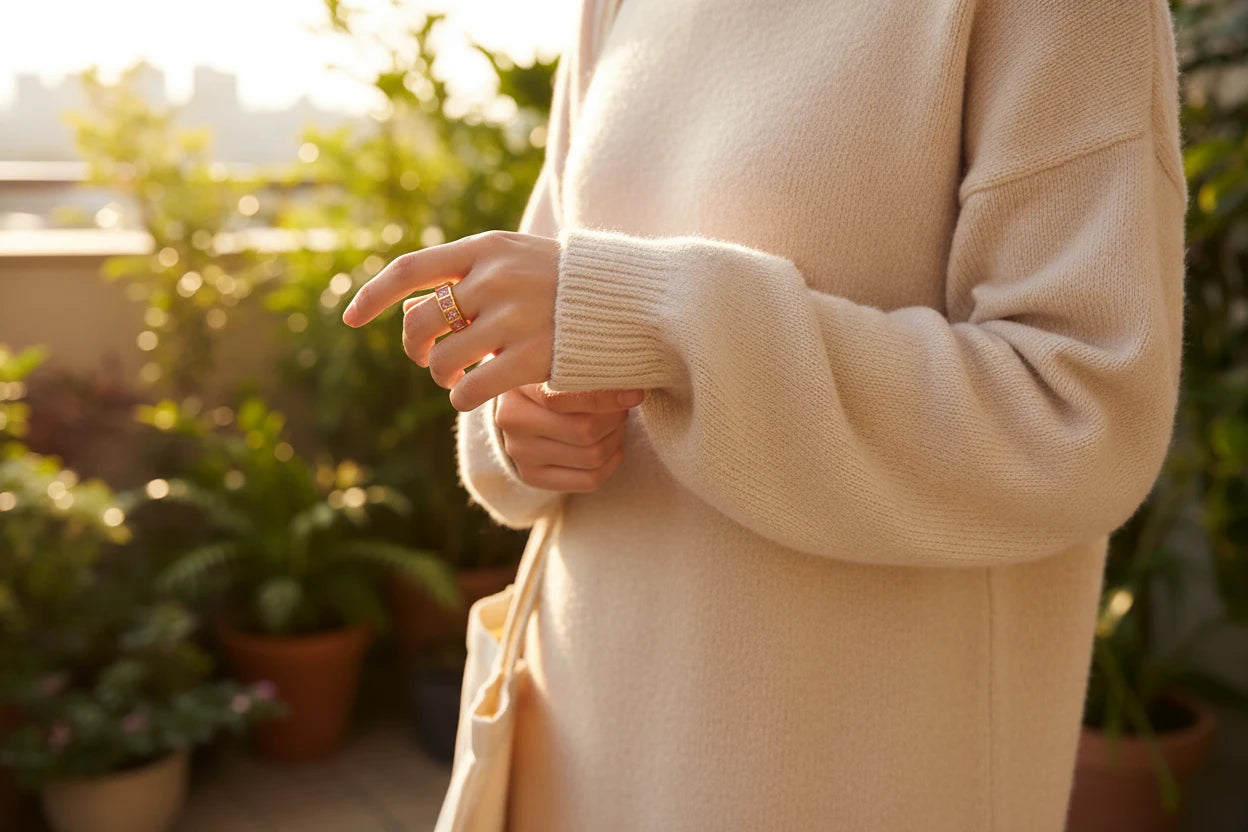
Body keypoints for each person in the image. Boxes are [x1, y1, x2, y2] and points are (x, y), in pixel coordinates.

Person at [341, 0, 1188, 828]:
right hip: (582, 740)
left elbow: (1077, 416)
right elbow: (559, 300)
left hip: (848, 773)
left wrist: (653, 321)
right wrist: (520, 425)